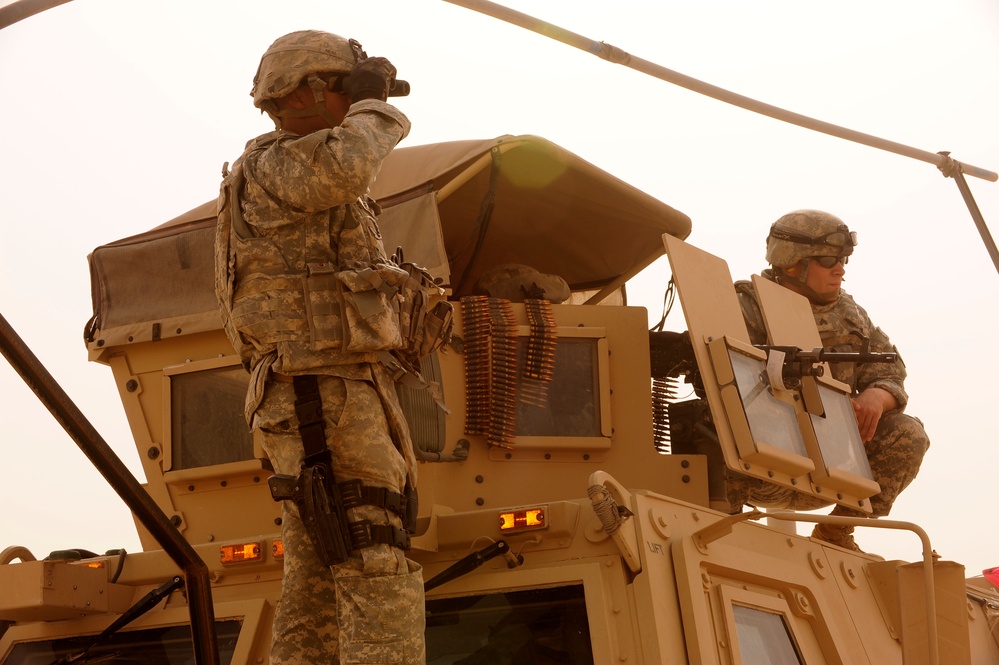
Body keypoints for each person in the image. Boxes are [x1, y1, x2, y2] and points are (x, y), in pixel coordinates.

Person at [214, 30, 424, 664]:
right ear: (305, 92)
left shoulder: (297, 173)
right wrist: (376, 108)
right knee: (372, 547)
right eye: (345, 90)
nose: (354, 104)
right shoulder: (282, 165)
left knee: (319, 583)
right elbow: (345, 164)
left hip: (325, 390)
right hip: (320, 393)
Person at [731, 210, 930, 552]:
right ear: (793, 264)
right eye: (827, 260)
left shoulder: (849, 314)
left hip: (828, 464)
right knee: (706, 429)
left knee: (909, 434)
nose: (840, 269)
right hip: (758, 462)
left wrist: (876, 397)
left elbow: (889, 370)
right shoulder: (747, 306)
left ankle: (836, 532)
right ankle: (719, 530)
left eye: (843, 260)